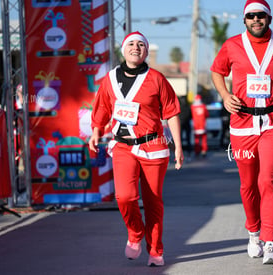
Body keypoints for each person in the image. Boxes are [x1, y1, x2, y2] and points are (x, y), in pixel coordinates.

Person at [211, 0, 273, 265]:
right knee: (248, 184)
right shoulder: (232, 45)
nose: (256, 19)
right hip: (242, 123)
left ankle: (270, 243)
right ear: (244, 20)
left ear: (269, 18)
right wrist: (224, 95)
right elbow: (217, 72)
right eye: (251, 16)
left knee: (269, 180)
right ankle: (253, 231)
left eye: (261, 16)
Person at [89, 31, 183, 267]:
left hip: (154, 146)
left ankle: (155, 251)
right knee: (125, 197)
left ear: (146, 51)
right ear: (123, 49)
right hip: (122, 146)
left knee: (153, 201)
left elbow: (171, 112)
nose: (136, 47)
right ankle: (135, 232)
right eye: (131, 43)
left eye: (141, 44)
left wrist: (178, 147)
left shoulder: (157, 78)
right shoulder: (109, 79)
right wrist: (96, 131)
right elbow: (100, 109)